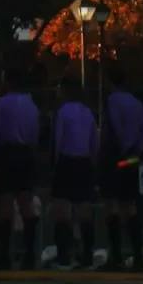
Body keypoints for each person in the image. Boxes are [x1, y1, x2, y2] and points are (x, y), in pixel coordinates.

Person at [0, 65, 40, 270]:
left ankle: (4, 255)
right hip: (25, 153)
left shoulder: (2, 104)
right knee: (26, 204)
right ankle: (29, 254)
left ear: (8, 81)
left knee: (5, 204)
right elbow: (35, 133)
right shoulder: (31, 105)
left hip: (7, 154)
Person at [99, 64, 143, 272]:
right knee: (130, 205)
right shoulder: (136, 103)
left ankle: (116, 255)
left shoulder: (112, 101)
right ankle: (138, 255)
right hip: (133, 157)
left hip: (116, 157)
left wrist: (119, 148)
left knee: (111, 204)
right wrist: (137, 149)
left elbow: (114, 127)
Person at [49, 77, 99, 270]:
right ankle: (87, 254)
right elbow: (94, 140)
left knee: (62, 209)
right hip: (84, 161)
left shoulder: (62, 112)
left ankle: (64, 256)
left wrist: (55, 163)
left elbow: (58, 139)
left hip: (67, 160)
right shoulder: (87, 112)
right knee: (84, 209)